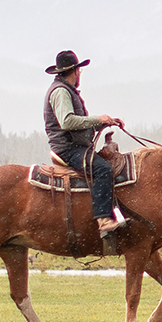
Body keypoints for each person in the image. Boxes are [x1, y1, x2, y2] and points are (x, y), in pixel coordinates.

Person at [43, 49, 127, 236]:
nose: (80, 74)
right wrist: (98, 120)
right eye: (79, 70)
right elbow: (67, 121)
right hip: (68, 149)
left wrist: (105, 121)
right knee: (102, 169)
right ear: (74, 71)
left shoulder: (65, 90)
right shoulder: (61, 92)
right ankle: (103, 219)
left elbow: (77, 123)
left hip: (73, 145)